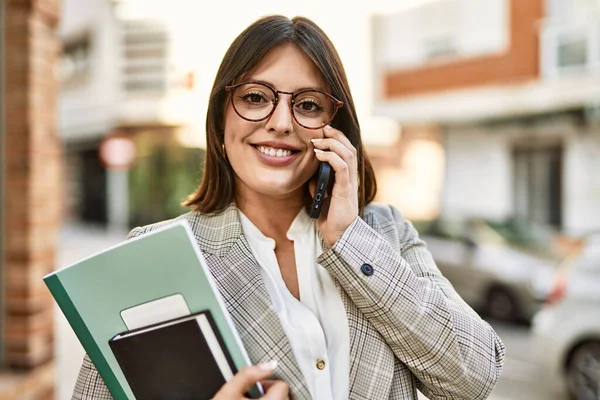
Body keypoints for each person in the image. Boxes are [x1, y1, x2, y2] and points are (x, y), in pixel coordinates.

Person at [72, 15, 505, 400]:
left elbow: (473, 378)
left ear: (335, 132)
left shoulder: (385, 232)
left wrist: (348, 240)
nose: (280, 122)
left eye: (308, 105)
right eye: (256, 97)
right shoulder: (153, 257)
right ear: (222, 120)